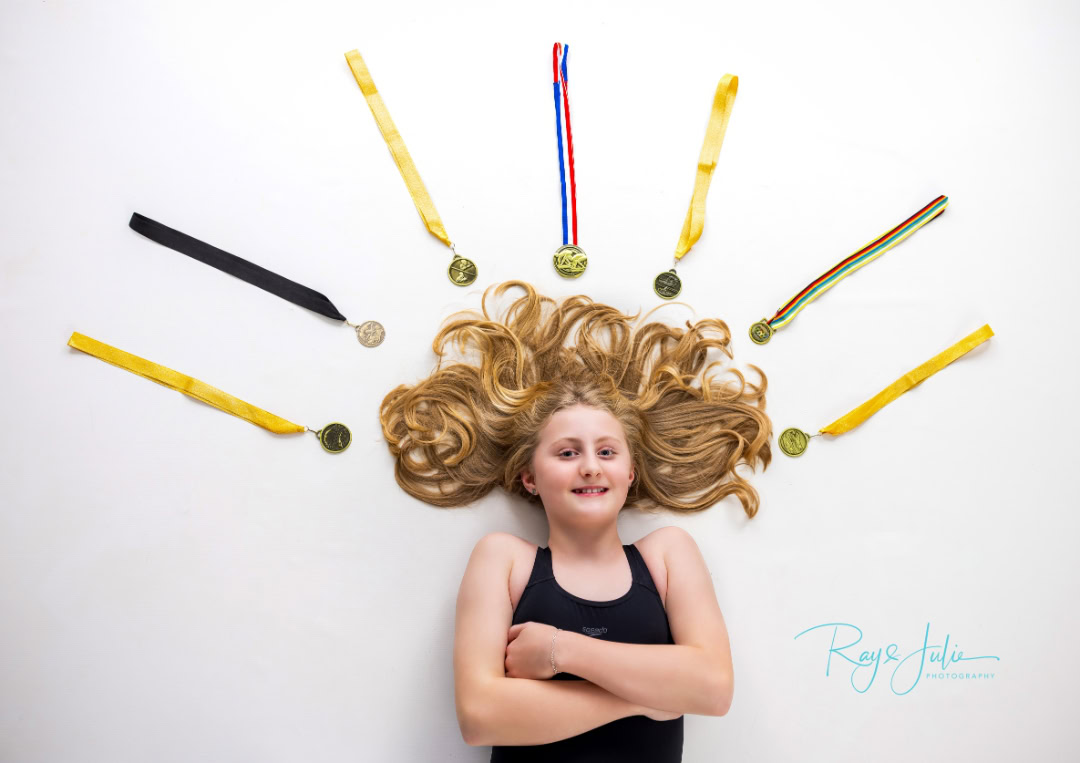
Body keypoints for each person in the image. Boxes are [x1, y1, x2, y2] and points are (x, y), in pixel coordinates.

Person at [379, 281, 771, 761]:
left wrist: (560, 651)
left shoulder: (669, 555)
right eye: (567, 452)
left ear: (629, 472)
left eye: (607, 451)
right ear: (530, 477)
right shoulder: (504, 560)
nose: (590, 466)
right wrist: (647, 696)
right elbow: (481, 716)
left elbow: (712, 688)